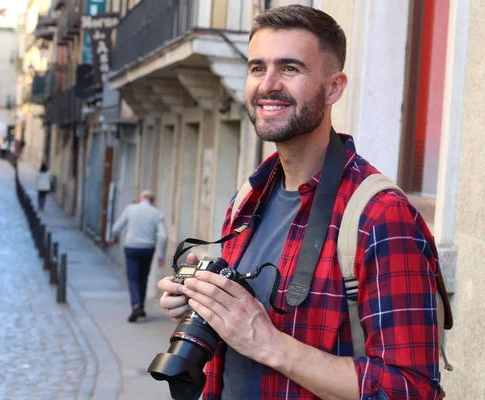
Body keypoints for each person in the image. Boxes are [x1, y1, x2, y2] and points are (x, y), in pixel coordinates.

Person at [158, 5, 444, 400]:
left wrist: (270, 343)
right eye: (257, 68)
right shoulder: (248, 198)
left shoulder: (381, 217)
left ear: (334, 87)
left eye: (290, 69)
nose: (268, 84)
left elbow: (412, 389)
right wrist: (206, 303)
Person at [110, 190, 167, 323]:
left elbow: (116, 228)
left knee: (133, 278)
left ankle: (136, 305)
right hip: (148, 248)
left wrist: (114, 238)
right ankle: (141, 305)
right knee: (143, 276)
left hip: (131, 247)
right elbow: (163, 236)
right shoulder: (157, 213)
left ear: (140, 198)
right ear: (152, 200)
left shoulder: (130, 209)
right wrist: (162, 254)